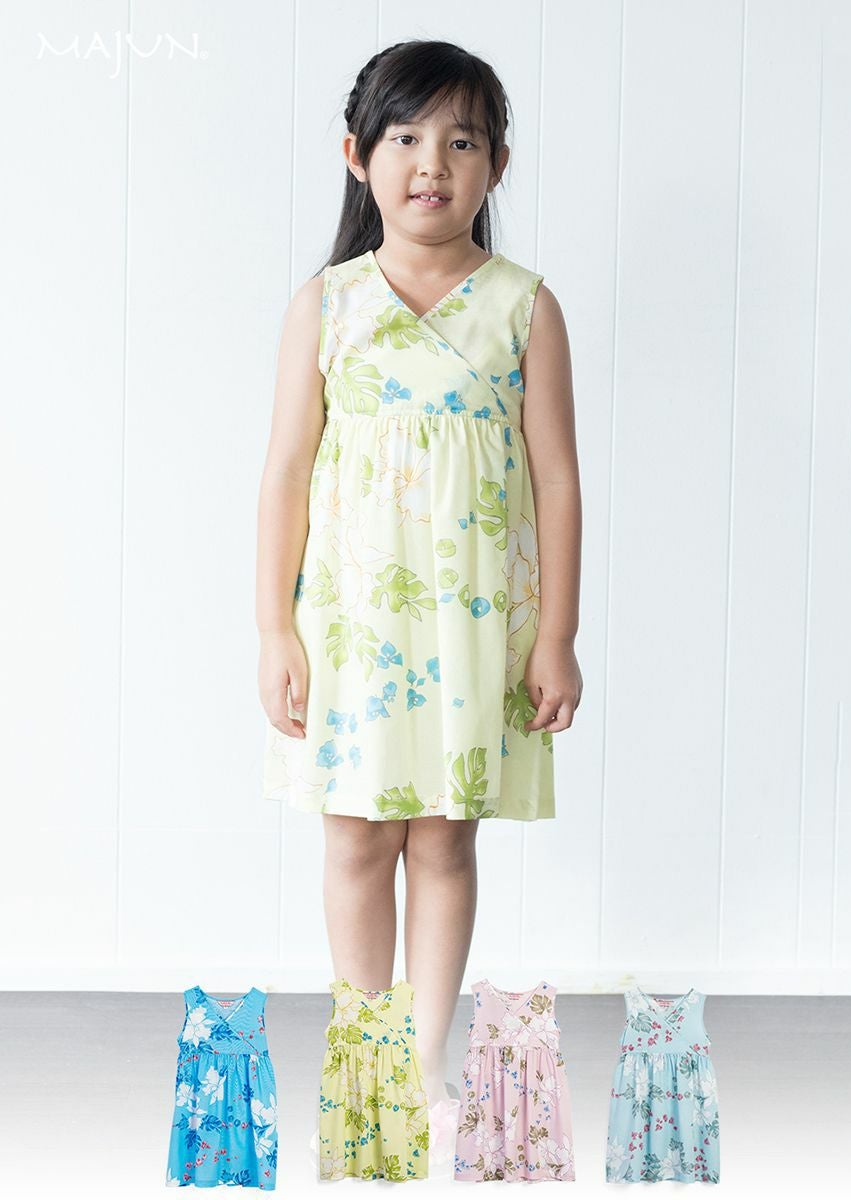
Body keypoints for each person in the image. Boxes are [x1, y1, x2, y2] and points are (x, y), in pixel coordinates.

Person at [255, 37, 582, 1137]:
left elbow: (556, 478)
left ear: (497, 166)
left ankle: (427, 1062)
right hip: (351, 622)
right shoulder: (327, 304)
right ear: (357, 156)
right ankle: (369, 1057)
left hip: (472, 619)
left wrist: (555, 636)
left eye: (461, 141)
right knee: (356, 834)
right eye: (404, 137)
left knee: (443, 835)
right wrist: (274, 631)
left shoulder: (522, 307)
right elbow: (285, 474)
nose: (431, 162)